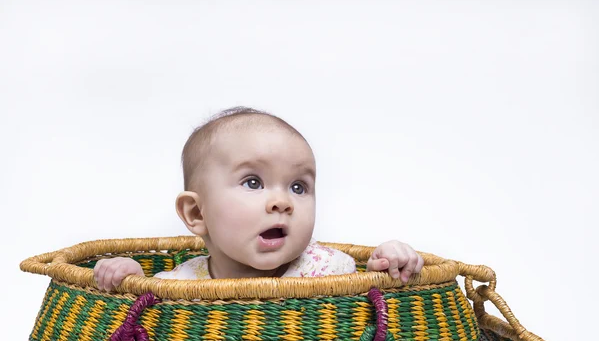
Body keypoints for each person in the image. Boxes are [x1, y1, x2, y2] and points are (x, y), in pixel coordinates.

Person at [94, 107, 424, 291]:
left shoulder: (328, 270)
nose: (282, 202)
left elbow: (375, 292)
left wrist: (391, 259)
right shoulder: (182, 284)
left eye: (298, 187)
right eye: (253, 182)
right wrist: (129, 275)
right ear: (196, 213)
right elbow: (146, 306)